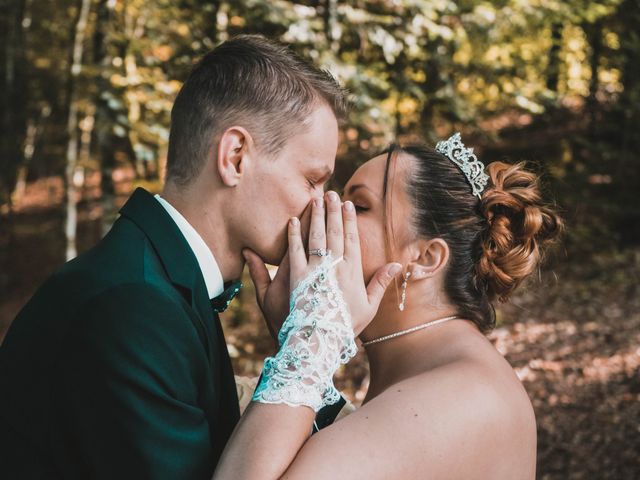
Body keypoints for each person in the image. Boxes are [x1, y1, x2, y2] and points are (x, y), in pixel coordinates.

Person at [0, 35, 348, 478]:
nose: (321, 205)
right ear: (235, 157)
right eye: (312, 180)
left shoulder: (158, 285)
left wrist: (299, 346)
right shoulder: (132, 309)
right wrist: (316, 337)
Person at [214, 133, 562, 479]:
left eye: (359, 207)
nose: (323, 210)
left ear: (426, 258)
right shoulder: (432, 375)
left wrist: (310, 341)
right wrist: (300, 343)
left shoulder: (462, 396)